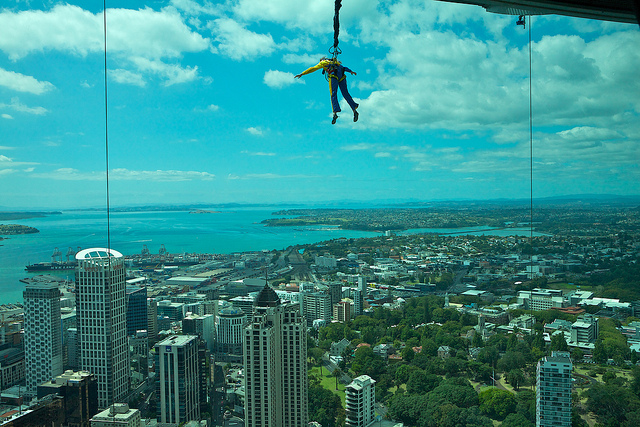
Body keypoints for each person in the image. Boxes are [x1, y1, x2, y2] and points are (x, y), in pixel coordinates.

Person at [295, 57, 358, 124]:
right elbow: (343, 68)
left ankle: (335, 113)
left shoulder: (322, 63)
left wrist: (302, 73)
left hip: (333, 76)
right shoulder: (335, 61)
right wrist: (350, 71)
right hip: (342, 77)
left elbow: (312, 69)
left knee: (333, 94)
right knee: (345, 94)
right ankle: (354, 110)